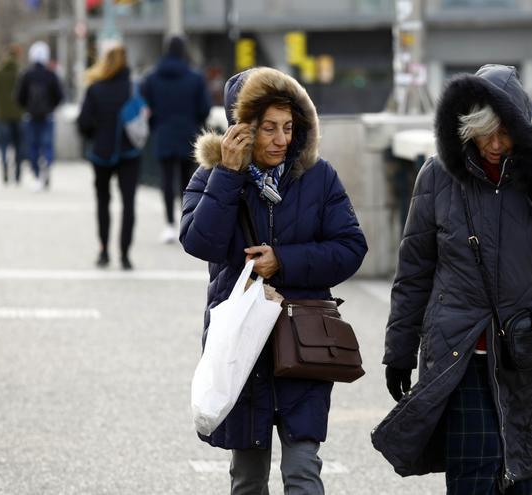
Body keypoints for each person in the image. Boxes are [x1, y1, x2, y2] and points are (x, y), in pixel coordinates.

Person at [372, 65, 532, 494]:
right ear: (465, 129)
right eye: (484, 133)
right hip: (460, 353)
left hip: (529, 352)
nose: (495, 145)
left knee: (517, 468)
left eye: (505, 133)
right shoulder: (438, 176)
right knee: (473, 473)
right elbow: (415, 272)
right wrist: (399, 351)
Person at [180, 66, 368, 494]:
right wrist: (227, 176)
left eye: (288, 127)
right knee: (247, 478)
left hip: (305, 338)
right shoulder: (211, 178)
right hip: (243, 346)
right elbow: (199, 242)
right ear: (241, 129)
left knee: (303, 471)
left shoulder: (319, 177)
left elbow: (351, 248)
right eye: (269, 128)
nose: (282, 139)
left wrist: (283, 260)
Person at [141, 36, 211, 243]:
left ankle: (169, 224)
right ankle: (186, 222)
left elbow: (146, 107)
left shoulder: (152, 78)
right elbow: (204, 109)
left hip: (163, 134)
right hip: (189, 134)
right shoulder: (195, 78)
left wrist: (156, 126)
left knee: (166, 179)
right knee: (188, 181)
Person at [77, 43, 140, 270]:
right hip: (130, 152)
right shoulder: (133, 88)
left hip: (101, 153)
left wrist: (95, 136)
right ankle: (124, 254)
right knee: (129, 203)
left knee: (103, 201)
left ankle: (103, 250)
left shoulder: (95, 88)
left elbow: (83, 123)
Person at [17, 40, 64, 191]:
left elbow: (19, 97)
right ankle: (47, 164)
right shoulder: (51, 75)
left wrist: (27, 108)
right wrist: (51, 107)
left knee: (33, 146)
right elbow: (59, 95)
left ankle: (37, 175)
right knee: (48, 145)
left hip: (31, 116)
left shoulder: (26, 75)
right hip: (48, 116)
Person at [0, 44, 25, 185]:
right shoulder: (20, 71)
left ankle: (5, 171)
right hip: (19, 114)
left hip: (2, 114)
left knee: (3, 145)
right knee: (19, 145)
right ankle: (18, 172)